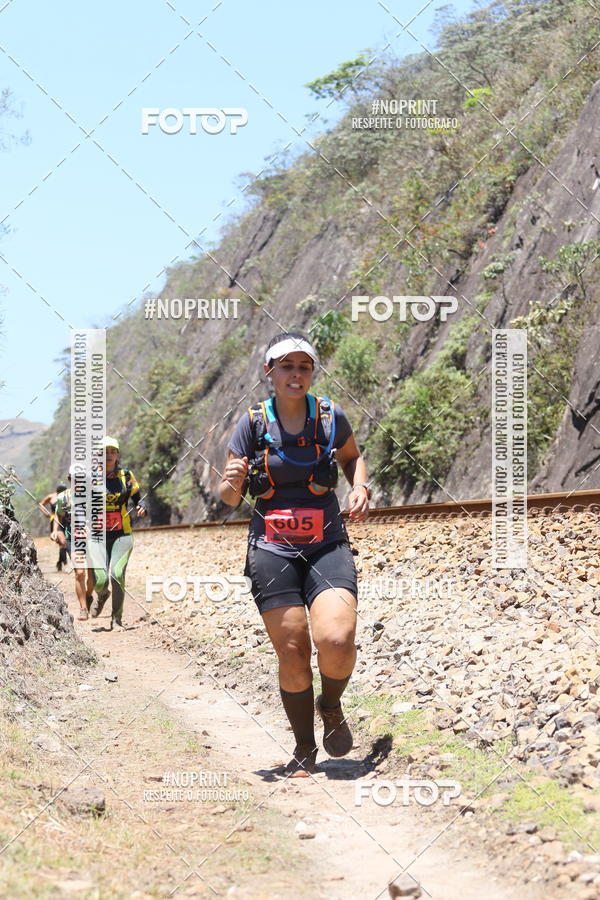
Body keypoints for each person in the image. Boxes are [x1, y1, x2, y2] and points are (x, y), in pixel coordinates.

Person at [219, 332, 370, 776]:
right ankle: (305, 746)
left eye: (304, 367)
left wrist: (359, 484)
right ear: (270, 373)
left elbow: (351, 457)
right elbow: (228, 499)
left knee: (337, 641)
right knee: (292, 651)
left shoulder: (329, 417)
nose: (296, 374)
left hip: (326, 544)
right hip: (271, 550)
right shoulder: (251, 424)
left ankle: (331, 705)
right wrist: (232, 479)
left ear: (312, 373)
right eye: (287, 366)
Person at [89, 436, 146, 631]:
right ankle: (102, 594)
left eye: (113, 452)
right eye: (105, 452)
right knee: (100, 581)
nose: (109, 455)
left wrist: (141, 506)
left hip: (122, 533)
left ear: (118, 454)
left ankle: (117, 619)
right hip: (97, 535)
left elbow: (138, 498)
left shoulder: (126, 476)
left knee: (117, 574)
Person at [52, 469, 95, 620]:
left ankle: (88, 595)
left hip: (93, 539)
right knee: (80, 573)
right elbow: (58, 514)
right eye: (76, 478)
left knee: (92, 577)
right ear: (70, 478)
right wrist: (56, 530)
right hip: (73, 538)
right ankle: (83, 608)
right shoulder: (63, 498)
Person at [40, 483, 68, 571]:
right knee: (62, 542)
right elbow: (41, 504)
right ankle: (64, 562)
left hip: (66, 521)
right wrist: (46, 513)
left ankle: (59, 562)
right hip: (55, 521)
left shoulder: (68, 496)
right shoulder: (51, 497)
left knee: (63, 543)